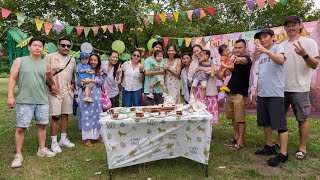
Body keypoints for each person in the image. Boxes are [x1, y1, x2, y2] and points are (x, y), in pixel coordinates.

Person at [8, 38, 56, 168]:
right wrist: (10, 96)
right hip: (25, 100)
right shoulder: (20, 61)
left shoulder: (46, 64)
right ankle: (18, 155)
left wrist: (50, 76)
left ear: (43, 49)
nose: (37, 47)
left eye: (40, 46)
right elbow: (12, 78)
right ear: (29, 47)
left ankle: (42, 149)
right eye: (34, 45)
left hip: (42, 100)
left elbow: (50, 84)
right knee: (21, 127)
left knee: (41, 125)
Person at [281, 15, 319, 159]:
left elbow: (314, 64)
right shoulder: (282, 45)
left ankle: (302, 148)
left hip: (300, 88)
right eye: (288, 25)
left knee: (302, 118)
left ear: (300, 26)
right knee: (280, 118)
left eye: (294, 24)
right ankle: (282, 145)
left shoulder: (309, 43)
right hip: (282, 88)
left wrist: (304, 55)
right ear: (285, 28)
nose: (291, 28)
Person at [253, 28, 288, 167]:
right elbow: (262, 74)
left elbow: (280, 60)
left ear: (273, 37)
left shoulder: (278, 47)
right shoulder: (261, 55)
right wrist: (256, 89)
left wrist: (266, 51)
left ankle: (283, 154)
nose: (262, 39)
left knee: (280, 125)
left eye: (265, 36)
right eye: (260, 38)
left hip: (275, 93)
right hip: (263, 93)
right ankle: (269, 146)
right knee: (265, 122)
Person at [45, 37, 76, 153]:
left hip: (67, 91)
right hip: (54, 91)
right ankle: (54, 142)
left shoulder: (72, 59)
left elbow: (73, 74)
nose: (66, 48)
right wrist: (50, 86)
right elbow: (44, 74)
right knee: (55, 116)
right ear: (58, 46)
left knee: (65, 115)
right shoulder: (49, 57)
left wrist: (73, 83)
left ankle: (63, 139)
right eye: (63, 45)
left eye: (68, 46)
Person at [224, 39, 252, 151]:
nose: (237, 49)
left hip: (240, 94)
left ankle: (241, 141)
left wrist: (238, 59)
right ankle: (236, 137)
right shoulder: (230, 61)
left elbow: (243, 61)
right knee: (233, 118)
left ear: (245, 48)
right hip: (229, 92)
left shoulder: (247, 59)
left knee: (240, 119)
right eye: (235, 47)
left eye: (240, 47)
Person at [78, 54, 104, 147]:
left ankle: (97, 135)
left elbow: (101, 82)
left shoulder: (99, 72)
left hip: (97, 97)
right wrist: (82, 82)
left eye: (95, 60)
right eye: (91, 60)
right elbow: (78, 83)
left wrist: (91, 81)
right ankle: (88, 138)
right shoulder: (84, 70)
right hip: (86, 97)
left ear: (98, 62)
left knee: (98, 116)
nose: (93, 62)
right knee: (87, 116)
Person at [188, 45, 219, 124]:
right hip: (197, 90)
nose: (196, 53)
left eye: (198, 51)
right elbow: (190, 76)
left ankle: (210, 130)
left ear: (202, 51)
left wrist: (200, 68)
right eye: (194, 52)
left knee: (210, 108)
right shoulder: (193, 62)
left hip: (209, 89)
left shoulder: (212, 60)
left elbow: (215, 71)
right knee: (198, 109)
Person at [144, 41, 165, 105]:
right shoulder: (148, 60)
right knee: (149, 111)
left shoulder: (162, 60)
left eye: (160, 48)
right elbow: (147, 72)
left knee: (161, 111)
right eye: (156, 47)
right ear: (153, 49)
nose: (158, 49)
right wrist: (159, 72)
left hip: (160, 90)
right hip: (149, 90)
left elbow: (164, 73)